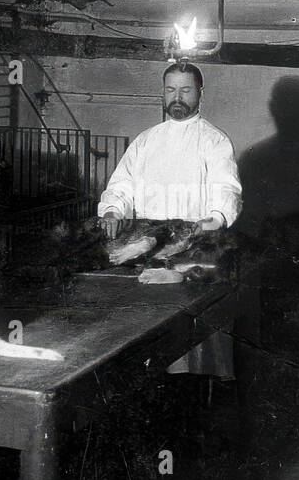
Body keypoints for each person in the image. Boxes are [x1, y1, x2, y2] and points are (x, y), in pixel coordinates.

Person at [97, 60, 242, 375]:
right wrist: (112, 210)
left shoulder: (215, 141)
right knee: (147, 348)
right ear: (162, 93)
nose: (177, 97)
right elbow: (121, 186)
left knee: (194, 354)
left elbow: (226, 192)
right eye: (171, 89)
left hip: (195, 256)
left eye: (186, 90)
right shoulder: (147, 140)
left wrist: (212, 221)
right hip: (147, 254)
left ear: (200, 93)